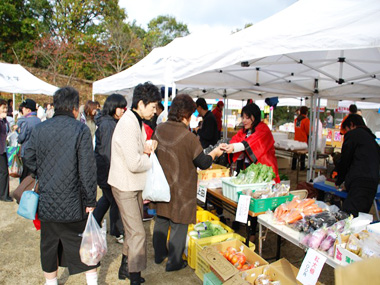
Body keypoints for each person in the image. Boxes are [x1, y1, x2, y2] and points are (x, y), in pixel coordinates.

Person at [23, 87, 99, 285]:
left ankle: (51, 283)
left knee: (49, 245)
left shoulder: (40, 128)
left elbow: (27, 156)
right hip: (74, 201)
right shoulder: (80, 129)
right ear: (74, 108)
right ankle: (92, 283)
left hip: (48, 200)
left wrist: (40, 173)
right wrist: (91, 199)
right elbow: (87, 168)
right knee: (84, 243)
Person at [152, 94, 223, 272]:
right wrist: (215, 153)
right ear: (185, 115)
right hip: (182, 185)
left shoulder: (159, 129)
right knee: (179, 222)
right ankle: (174, 262)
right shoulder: (188, 137)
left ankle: (159, 255)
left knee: (161, 217)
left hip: (161, 184)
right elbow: (204, 163)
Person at [108, 82, 161, 285]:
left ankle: (125, 267)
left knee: (133, 230)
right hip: (126, 185)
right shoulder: (129, 123)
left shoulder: (135, 120)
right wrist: (151, 159)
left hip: (131, 184)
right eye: (153, 106)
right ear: (141, 103)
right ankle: (134, 277)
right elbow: (134, 162)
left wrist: (146, 149)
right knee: (138, 232)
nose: (155, 111)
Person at [93, 94, 127, 244]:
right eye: (121, 107)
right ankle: (117, 231)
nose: (123, 111)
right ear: (113, 107)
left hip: (106, 170)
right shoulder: (108, 124)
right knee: (115, 201)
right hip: (108, 170)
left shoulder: (110, 122)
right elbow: (107, 152)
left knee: (107, 199)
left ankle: (94, 223)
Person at [220, 103, 280, 183]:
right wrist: (227, 146)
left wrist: (234, 147)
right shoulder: (245, 131)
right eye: (243, 117)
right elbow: (236, 140)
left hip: (263, 167)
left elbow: (251, 142)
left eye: (247, 118)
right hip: (248, 167)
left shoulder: (263, 129)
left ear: (255, 117)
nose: (244, 120)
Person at [335, 114, 380, 217]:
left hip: (360, 182)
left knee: (350, 217)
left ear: (351, 125)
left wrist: (339, 180)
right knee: (361, 215)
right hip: (373, 182)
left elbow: (345, 160)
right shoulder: (371, 139)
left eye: (346, 130)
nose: (346, 133)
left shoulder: (353, 135)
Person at [17, 99, 41, 181]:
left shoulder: (25, 121)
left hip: (26, 151)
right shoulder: (39, 120)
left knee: (24, 176)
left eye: (23, 108)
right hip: (37, 152)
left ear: (28, 110)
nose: (22, 110)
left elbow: (21, 138)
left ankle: (23, 191)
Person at [0, 99, 12, 202]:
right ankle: (3, 195)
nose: (5, 110)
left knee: (4, 172)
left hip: (3, 149)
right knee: (3, 172)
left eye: (6, 108)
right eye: (3, 108)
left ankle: (3, 194)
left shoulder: (4, 120)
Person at [292, 106, 310, 171]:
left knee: (295, 153)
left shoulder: (296, 119)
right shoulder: (306, 120)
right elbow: (308, 131)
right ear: (306, 112)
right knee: (302, 154)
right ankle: (302, 167)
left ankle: (293, 166)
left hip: (296, 138)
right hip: (303, 139)